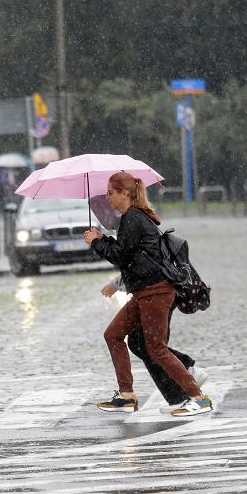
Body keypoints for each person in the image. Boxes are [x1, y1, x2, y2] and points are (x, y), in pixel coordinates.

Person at [83, 172, 213, 417]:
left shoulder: (133, 217)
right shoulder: (132, 217)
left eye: (111, 193)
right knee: (113, 334)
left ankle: (198, 398)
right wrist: (102, 238)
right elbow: (126, 252)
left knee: (156, 349)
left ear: (125, 193)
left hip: (155, 291)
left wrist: (96, 243)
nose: (108, 198)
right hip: (144, 292)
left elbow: (119, 256)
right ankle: (127, 395)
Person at [101, 276, 207, 410]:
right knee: (131, 341)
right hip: (146, 290)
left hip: (156, 289)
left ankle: (188, 395)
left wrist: (117, 283)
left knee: (153, 347)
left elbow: (146, 262)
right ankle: (128, 395)